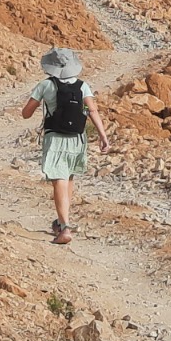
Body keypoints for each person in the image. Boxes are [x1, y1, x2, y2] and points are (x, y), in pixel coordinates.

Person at [20, 47, 109, 244]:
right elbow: (92, 111)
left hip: (55, 137)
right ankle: (62, 222)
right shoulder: (82, 86)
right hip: (77, 138)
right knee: (68, 176)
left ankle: (65, 227)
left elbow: (26, 113)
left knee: (58, 178)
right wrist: (103, 137)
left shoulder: (45, 85)